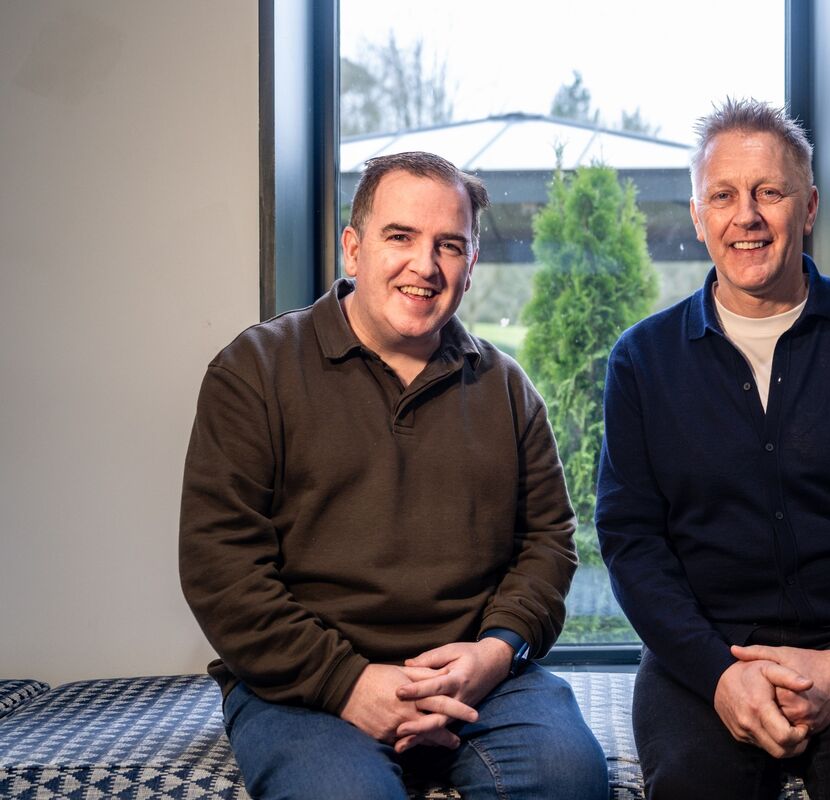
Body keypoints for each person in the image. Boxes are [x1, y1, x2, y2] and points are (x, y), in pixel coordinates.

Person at [180, 151, 608, 800]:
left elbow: (548, 543)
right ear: (353, 249)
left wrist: (495, 652)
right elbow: (221, 567)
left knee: (569, 779)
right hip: (305, 687)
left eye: (450, 245)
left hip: (479, 680)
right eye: (400, 237)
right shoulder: (253, 372)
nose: (425, 265)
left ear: (471, 265)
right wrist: (348, 685)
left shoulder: (507, 389)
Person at [595, 99, 830, 799]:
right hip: (703, 660)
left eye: (769, 192)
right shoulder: (642, 361)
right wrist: (720, 675)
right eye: (723, 196)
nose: (746, 215)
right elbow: (631, 545)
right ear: (698, 216)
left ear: (809, 209)